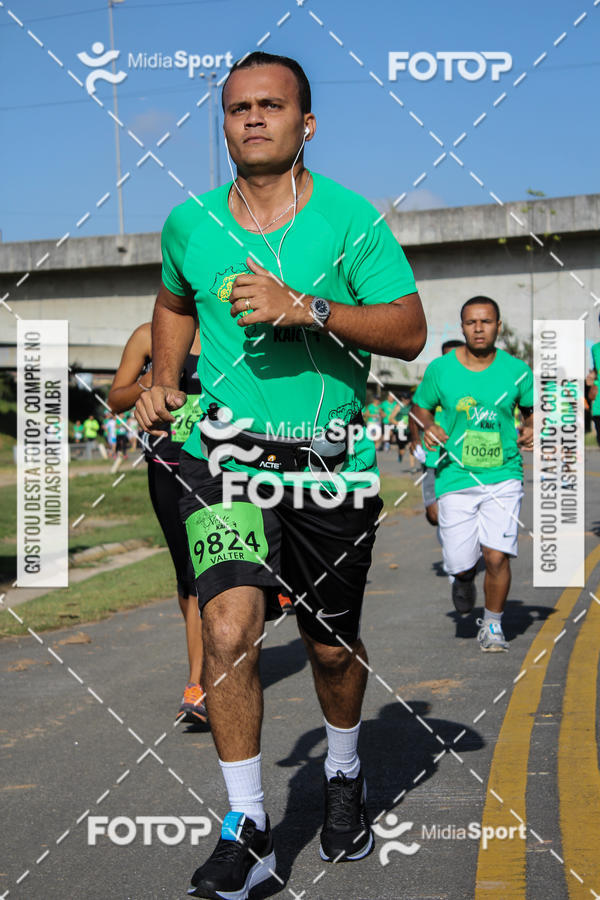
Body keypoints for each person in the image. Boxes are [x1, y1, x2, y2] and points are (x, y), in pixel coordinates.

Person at [135, 51, 426, 900]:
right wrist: (161, 378)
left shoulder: (349, 219)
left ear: (306, 123)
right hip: (223, 460)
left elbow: (408, 330)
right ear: (223, 124)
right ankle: (247, 823)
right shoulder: (188, 222)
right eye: (236, 108)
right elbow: (174, 300)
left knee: (331, 651)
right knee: (227, 631)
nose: (252, 118)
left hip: (330, 468)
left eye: (271, 105)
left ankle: (343, 775)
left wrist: (307, 307)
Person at [411, 297, 533, 651]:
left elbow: (533, 411)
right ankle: (463, 579)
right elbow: (419, 409)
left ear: (498, 325)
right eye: (471, 322)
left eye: (486, 321)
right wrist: (429, 425)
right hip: (455, 478)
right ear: (462, 327)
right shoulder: (441, 369)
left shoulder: (517, 370)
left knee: (496, 554)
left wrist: (531, 427)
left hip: (503, 473)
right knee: (460, 563)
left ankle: (493, 625)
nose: (479, 328)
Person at [108, 323, 207, 723]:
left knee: (203, 571)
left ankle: (198, 686)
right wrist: (148, 384)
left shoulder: (225, 323)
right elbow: (116, 399)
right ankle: (207, 663)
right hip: (165, 468)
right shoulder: (148, 336)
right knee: (186, 579)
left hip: (219, 468)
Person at [410, 340, 464, 527]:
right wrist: (415, 439)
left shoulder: (472, 384)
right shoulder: (431, 383)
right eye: (446, 356)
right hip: (433, 456)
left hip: (462, 459)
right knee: (433, 514)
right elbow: (414, 411)